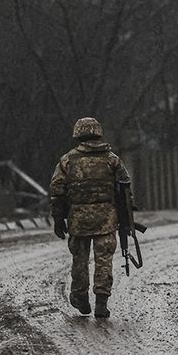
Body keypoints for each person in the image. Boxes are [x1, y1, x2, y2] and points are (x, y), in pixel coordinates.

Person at [49, 117, 131, 318]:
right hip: (106, 219)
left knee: (80, 260)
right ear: (98, 133)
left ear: (78, 135)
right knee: (104, 260)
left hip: (78, 219)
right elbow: (126, 191)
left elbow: (57, 191)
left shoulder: (67, 160)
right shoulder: (112, 160)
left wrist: (58, 219)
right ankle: (101, 302)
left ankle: (80, 297)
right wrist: (125, 218)